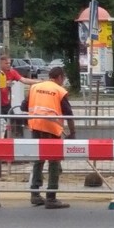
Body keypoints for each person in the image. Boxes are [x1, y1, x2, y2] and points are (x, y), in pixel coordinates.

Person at [26, 66, 76, 209]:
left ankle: (35, 194)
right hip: (51, 129)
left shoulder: (35, 87)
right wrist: (72, 133)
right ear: (59, 77)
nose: (63, 81)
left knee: (39, 159)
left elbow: (25, 105)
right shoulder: (59, 91)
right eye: (63, 78)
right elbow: (69, 115)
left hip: (36, 126)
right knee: (54, 161)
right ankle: (51, 197)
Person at [0, 54, 40, 132]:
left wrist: (39, 82)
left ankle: (7, 139)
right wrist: (5, 84)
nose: (9, 65)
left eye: (9, 63)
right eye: (6, 63)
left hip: (5, 103)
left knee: (13, 123)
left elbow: (24, 80)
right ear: (0, 64)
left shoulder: (12, 72)